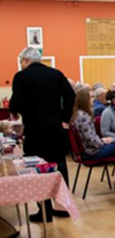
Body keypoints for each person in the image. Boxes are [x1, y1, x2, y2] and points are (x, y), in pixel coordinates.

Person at [10, 47, 75, 222]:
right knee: (59, 165)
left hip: (34, 129)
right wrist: (64, 118)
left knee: (36, 168)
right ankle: (63, 206)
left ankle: (44, 211)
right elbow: (70, 95)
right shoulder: (56, 74)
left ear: (24, 60)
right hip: (55, 128)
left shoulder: (21, 77)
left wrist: (16, 111)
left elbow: (17, 102)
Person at [71, 88, 115, 189]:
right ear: (84, 99)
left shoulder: (79, 114)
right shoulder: (83, 116)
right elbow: (91, 141)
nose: (93, 99)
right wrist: (104, 141)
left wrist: (104, 140)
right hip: (92, 152)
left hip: (91, 149)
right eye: (91, 97)